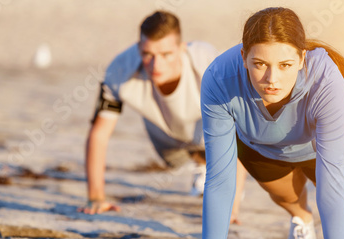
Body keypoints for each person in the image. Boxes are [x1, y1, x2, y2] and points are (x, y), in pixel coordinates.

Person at [175, 7, 344, 239]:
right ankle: (302, 218)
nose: (272, 78)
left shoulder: (325, 80)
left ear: (302, 59)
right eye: (259, 64)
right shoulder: (219, 77)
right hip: (265, 145)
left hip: (321, 142)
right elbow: (219, 179)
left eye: (285, 64)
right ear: (244, 56)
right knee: (286, 195)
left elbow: (330, 185)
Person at [78, 11, 247, 222]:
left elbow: (238, 132)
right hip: (165, 137)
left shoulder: (208, 62)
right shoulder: (119, 70)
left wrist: (231, 208)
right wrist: (95, 197)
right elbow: (99, 133)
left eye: (166, 54)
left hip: (207, 125)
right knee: (174, 161)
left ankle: (208, 166)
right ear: (139, 48)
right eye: (148, 54)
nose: (156, 65)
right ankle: (201, 162)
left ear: (182, 48)